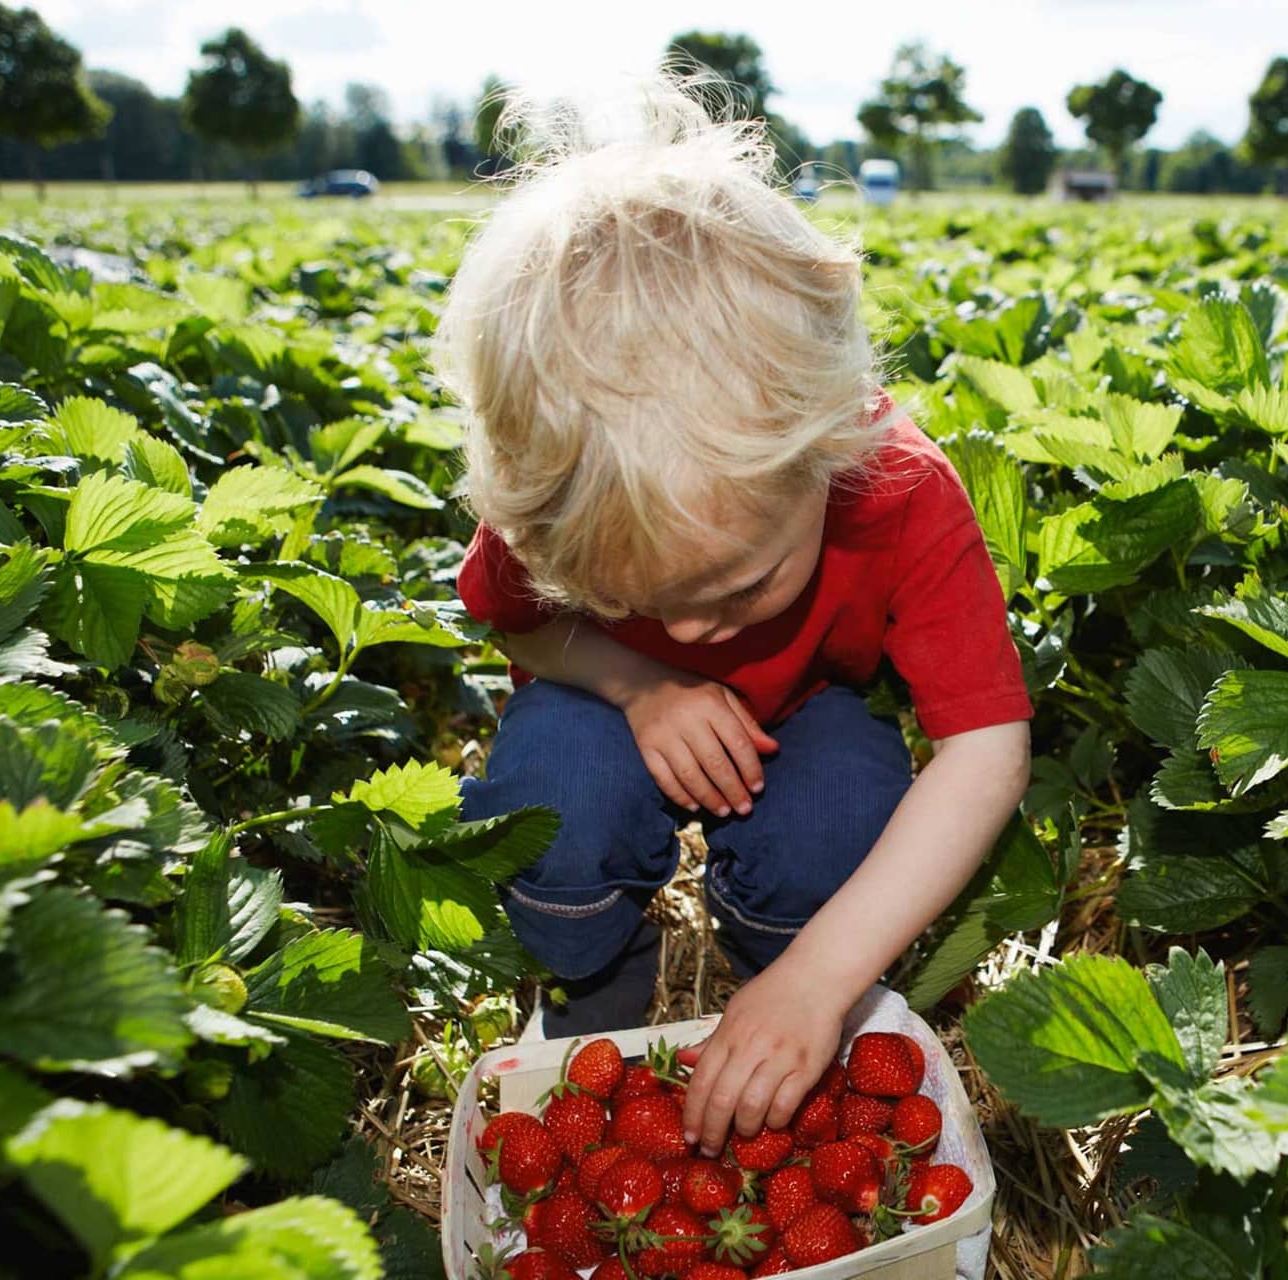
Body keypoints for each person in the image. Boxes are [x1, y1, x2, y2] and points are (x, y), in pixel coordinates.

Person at [430, 71, 1033, 1161]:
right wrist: (635, 679)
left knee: (842, 818)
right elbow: (514, 620)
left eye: (739, 588)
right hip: (600, 709)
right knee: (550, 800)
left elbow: (985, 747)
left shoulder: (898, 491)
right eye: (632, 600)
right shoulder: (562, 482)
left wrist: (820, 975)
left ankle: (776, 976)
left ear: (827, 451)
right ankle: (592, 988)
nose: (694, 634)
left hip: (803, 715)